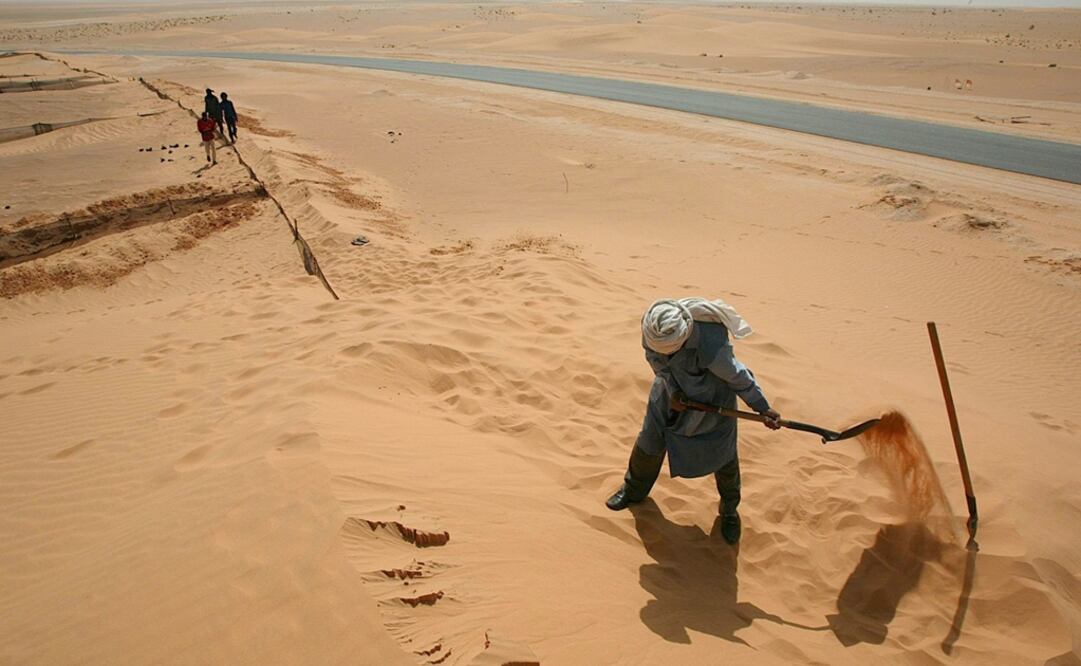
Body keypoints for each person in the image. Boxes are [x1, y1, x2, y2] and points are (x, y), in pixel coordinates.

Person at [605, 298, 782, 545]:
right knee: (650, 441)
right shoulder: (654, 328)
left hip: (712, 398)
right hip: (669, 394)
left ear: (684, 338)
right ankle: (633, 490)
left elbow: (737, 377)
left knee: (723, 453)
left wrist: (762, 408)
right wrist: (674, 390)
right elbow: (658, 364)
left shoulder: (711, 343)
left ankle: (729, 511)